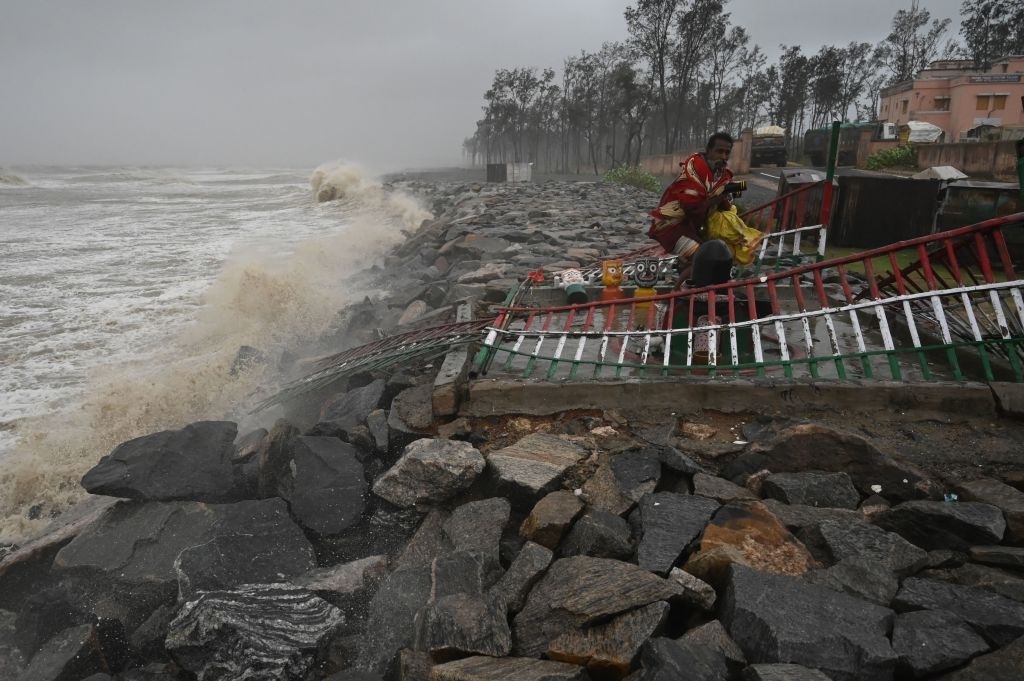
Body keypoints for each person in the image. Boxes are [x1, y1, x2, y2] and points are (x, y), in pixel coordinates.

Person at [647, 132, 737, 275]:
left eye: (727, 153)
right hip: (670, 227)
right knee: (703, 257)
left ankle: (693, 283)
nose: (724, 157)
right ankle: (679, 291)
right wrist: (718, 199)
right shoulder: (694, 170)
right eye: (719, 151)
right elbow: (692, 207)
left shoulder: (722, 174)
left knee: (724, 254)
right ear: (708, 151)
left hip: (694, 228)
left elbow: (726, 201)